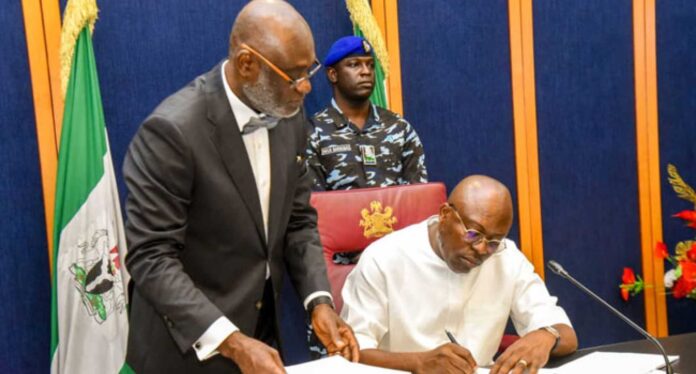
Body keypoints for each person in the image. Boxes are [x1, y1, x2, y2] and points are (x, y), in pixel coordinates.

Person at [122, 1, 358, 373]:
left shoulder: (290, 117)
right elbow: (151, 257)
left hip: (261, 333)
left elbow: (298, 221)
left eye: (309, 68)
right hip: (186, 348)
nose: (307, 85)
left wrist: (319, 301)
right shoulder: (172, 131)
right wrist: (231, 342)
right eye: (294, 74)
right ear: (247, 64)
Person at [340, 175, 578, 374]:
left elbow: (566, 334)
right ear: (445, 215)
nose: (483, 249)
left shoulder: (506, 258)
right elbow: (351, 353)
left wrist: (547, 335)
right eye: (474, 234)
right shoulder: (384, 258)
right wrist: (418, 363)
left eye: (494, 241)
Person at [305, 35, 428, 191]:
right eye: (354, 64)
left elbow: (418, 196)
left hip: (394, 216)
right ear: (333, 75)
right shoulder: (313, 132)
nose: (366, 72)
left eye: (370, 65)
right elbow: (313, 204)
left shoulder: (399, 128)